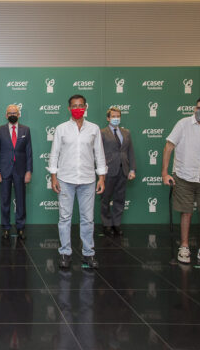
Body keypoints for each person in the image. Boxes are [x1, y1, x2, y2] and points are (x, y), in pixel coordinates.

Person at [162, 95, 200, 268]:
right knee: (186, 212)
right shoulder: (183, 124)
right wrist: (165, 173)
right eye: (198, 108)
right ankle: (184, 247)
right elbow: (168, 147)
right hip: (184, 175)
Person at [48, 95, 106, 269]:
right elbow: (54, 153)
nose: (77, 108)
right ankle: (65, 253)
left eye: (80, 105)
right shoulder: (61, 129)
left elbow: (99, 154)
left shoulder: (94, 129)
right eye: (74, 106)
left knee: (88, 219)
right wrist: (53, 177)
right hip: (65, 179)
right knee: (64, 218)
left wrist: (101, 177)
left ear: (86, 107)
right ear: (69, 108)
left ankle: (88, 253)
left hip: (88, 180)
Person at [0, 104, 33, 240]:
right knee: (5, 200)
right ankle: (5, 228)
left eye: (14, 112)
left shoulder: (26, 130)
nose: (12, 115)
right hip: (4, 170)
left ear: (18, 114)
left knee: (21, 200)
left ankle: (20, 227)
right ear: (6, 115)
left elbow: (29, 153)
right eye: (10, 113)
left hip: (21, 170)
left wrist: (29, 171)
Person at [99, 107, 136, 236]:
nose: (116, 118)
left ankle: (116, 224)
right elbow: (98, 153)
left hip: (123, 170)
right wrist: (101, 171)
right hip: (108, 170)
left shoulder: (126, 133)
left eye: (118, 116)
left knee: (120, 198)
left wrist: (132, 169)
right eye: (113, 116)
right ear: (108, 118)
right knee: (105, 198)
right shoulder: (102, 133)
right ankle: (107, 224)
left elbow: (130, 151)